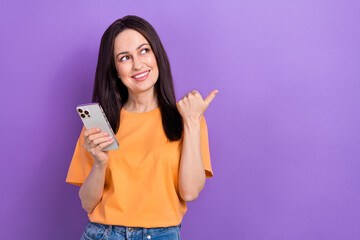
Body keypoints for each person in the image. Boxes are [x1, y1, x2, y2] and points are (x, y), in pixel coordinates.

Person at [66, 15, 218, 240]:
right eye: (125, 57)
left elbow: (190, 191)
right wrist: (100, 163)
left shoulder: (187, 117)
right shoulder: (101, 125)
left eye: (144, 50)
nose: (137, 64)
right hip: (103, 234)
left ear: (157, 54)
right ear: (115, 69)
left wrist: (193, 123)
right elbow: (87, 203)